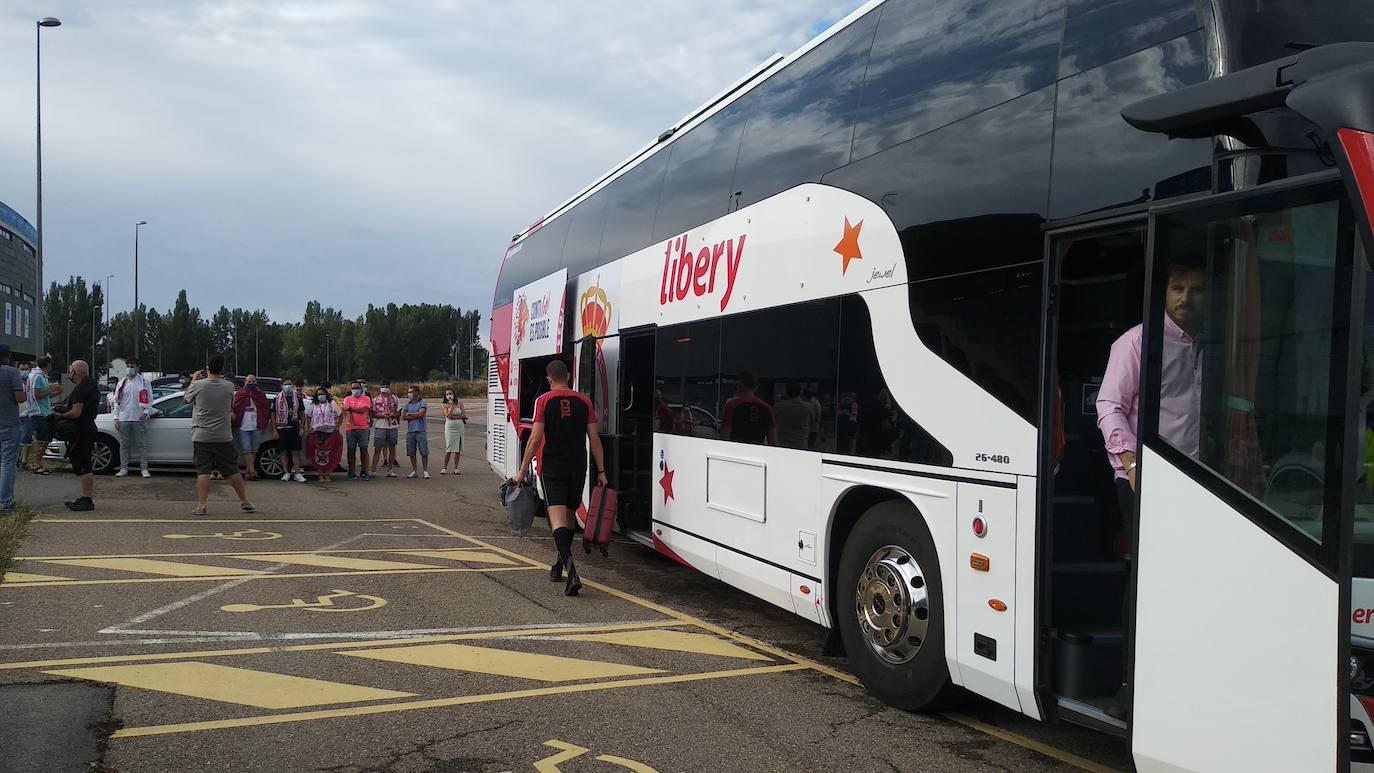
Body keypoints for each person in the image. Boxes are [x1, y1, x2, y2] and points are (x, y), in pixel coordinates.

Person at [1095, 256, 1207, 720]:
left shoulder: (1208, 344)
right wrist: (1132, 462)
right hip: (1144, 480)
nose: (1185, 298)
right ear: (1163, 293)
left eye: (1195, 289)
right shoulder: (1139, 342)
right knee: (1147, 579)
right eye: (1177, 288)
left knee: (1187, 580)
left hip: (1198, 482)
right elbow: (1108, 405)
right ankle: (1129, 686)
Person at [513, 360, 608, 597]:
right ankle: (559, 565)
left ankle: (572, 572)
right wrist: (602, 471)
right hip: (578, 466)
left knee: (556, 520)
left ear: (548, 379)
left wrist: (523, 470)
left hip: (553, 466)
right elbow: (594, 439)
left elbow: (535, 439)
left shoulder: (543, 401)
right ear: (569, 375)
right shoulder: (584, 401)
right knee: (568, 517)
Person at [185, 357, 256, 515]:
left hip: (202, 434)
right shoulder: (229, 386)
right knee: (232, 470)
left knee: (203, 470)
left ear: (208, 368)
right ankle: (244, 501)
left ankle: (202, 505)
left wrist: (194, 379)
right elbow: (229, 406)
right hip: (223, 434)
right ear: (222, 369)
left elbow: (186, 399)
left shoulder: (198, 385)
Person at [55, 360, 100, 511]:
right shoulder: (92, 386)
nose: (70, 374)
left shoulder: (81, 389)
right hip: (88, 428)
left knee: (83, 466)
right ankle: (85, 498)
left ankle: (87, 500)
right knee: (84, 463)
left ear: (75, 372)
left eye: (70, 371)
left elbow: (76, 412)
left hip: (80, 430)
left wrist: (60, 415)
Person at [110, 357, 153, 478]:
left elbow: (150, 400)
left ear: (138, 367)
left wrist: (145, 413)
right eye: (128, 365)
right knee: (124, 444)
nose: (130, 368)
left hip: (139, 418)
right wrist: (116, 418)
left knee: (142, 445)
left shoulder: (144, 382)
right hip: (124, 418)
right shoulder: (122, 383)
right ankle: (124, 469)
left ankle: (144, 469)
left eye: (132, 365)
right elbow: (117, 402)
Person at [23, 357, 61, 476]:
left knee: (44, 438)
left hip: (44, 410)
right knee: (41, 439)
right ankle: (35, 464)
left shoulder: (41, 376)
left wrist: (56, 392)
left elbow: (44, 397)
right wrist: (51, 390)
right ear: (48, 365)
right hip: (38, 412)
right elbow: (37, 394)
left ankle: (37, 463)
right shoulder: (37, 376)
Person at [0, 346, 27, 512]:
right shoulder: (11, 372)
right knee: (7, 462)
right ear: (8, 356)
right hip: (8, 423)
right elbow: (19, 397)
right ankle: (5, 501)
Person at [720, 370, 776, 445]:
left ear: (740, 384)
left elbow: (724, 438)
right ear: (756, 387)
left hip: (736, 452)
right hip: (758, 453)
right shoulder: (767, 408)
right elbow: (773, 442)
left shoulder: (731, 405)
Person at [232, 374, 271, 481]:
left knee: (254, 449)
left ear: (256, 382)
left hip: (257, 424)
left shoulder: (260, 394)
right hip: (243, 426)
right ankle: (252, 471)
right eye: (249, 382)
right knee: (246, 448)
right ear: (245, 382)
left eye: (253, 382)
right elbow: (235, 408)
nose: (251, 384)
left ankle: (249, 471)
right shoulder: (240, 394)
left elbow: (265, 408)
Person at [305, 386, 343, 483]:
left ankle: (327, 473)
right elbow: (308, 416)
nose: (320, 396)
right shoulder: (313, 405)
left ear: (326, 394)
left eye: (322, 394)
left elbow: (340, 415)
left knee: (329, 453)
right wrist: (309, 426)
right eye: (318, 395)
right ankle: (320, 474)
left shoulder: (332, 404)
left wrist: (337, 427)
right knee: (317, 453)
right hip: (317, 432)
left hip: (330, 432)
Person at [275, 378, 307, 483]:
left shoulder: (298, 398)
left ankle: (297, 473)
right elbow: (272, 414)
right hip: (281, 428)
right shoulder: (277, 398)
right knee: (283, 451)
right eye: (285, 384)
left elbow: (302, 413)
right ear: (281, 386)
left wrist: (302, 426)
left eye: (289, 384)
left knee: (295, 451)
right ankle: (286, 472)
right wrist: (274, 430)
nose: (288, 386)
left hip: (294, 428)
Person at [341, 379, 373, 481]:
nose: (355, 390)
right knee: (351, 450)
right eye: (353, 388)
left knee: (364, 450)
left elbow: (364, 409)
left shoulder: (366, 398)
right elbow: (347, 412)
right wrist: (353, 421)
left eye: (357, 388)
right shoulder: (347, 399)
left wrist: (351, 409)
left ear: (361, 388)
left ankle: (365, 471)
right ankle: (351, 472)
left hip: (363, 428)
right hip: (350, 428)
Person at [370, 381, 401, 478]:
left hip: (392, 426)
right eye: (382, 387)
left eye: (386, 387)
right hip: (380, 426)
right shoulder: (375, 400)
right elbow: (373, 413)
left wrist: (392, 415)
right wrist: (381, 415)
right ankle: (373, 470)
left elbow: (399, 412)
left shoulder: (395, 399)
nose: (384, 389)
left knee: (392, 447)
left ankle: (390, 469)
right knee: (377, 448)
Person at [402, 386, 431, 479]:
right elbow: (404, 417)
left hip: (420, 430)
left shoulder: (422, 403)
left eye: (411, 392)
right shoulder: (407, 405)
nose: (409, 394)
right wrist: (415, 414)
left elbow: (421, 413)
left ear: (417, 393)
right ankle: (414, 470)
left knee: (423, 451)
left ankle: (425, 471)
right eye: (409, 392)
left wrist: (410, 414)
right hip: (411, 431)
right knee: (411, 452)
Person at [773, 382, 811, 450]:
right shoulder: (807, 407)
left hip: (782, 445)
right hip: (801, 446)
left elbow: (772, 423)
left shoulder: (779, 406)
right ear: (800, 392)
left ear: (786, 392)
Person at [441, 389, 467, 474]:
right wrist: (451, 407)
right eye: (447, 394)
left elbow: (463, 415)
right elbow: (448, 415)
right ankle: (444, 467)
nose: (449, 395)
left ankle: (456, 467)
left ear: (454, 394)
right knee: (449, 448)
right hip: (450, 428)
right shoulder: (445, 405)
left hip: (459, 427)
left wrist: (455, 417)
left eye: (450, 393)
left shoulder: (460, 404)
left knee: (457, 449)